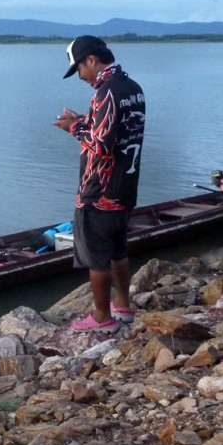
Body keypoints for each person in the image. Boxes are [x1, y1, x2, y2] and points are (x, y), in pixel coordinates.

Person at [54, 36, 146, 333]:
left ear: (91, 60)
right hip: (126, 187)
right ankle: (123, 307)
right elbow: (117, 130)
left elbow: (103, 144)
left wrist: (74, 127)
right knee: (118, 250)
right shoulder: (133, 88)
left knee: (96, 256)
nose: (80, 76)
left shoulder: (106, 92)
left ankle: (102, 317)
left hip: (100, 190)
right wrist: (85, 120)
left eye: (79, 69)